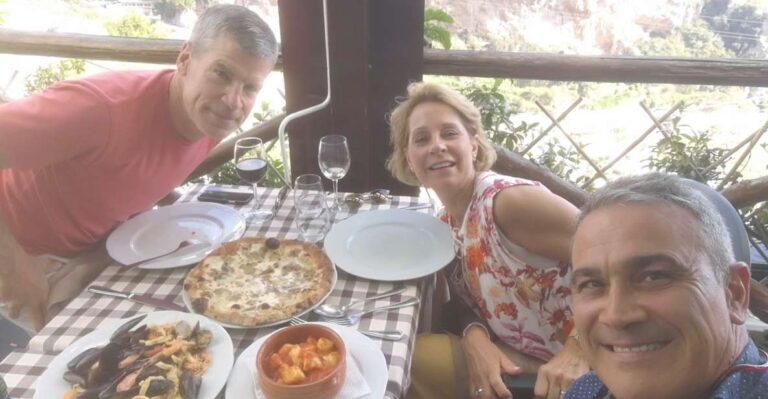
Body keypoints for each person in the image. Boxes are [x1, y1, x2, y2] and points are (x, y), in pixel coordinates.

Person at [0, 4, 278, 332]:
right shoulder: (100, 110)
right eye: (222, 73)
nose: (233, 101)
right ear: (186, 60)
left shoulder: (208, 118)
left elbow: (143, 164)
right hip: (27, 258)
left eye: (250, 88)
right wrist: (14, 267)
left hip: (97, 252)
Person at [387, 82, 589, 399]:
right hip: (520, 355)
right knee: (400, 352)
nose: (436, 146)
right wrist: (474, 335)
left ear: (474, 145)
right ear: (409, 158)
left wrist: (582, 345)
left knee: (407, 365)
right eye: (421, 139)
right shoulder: (445, 224)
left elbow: (619, 258)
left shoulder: (507, 203)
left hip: (589, 363)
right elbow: (465, 302)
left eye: (450, 133)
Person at [567, 173, 768, 399]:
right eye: (592, 284)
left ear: (734, 293)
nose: (616, 316)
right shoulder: (586, 391)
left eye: (654, 277)